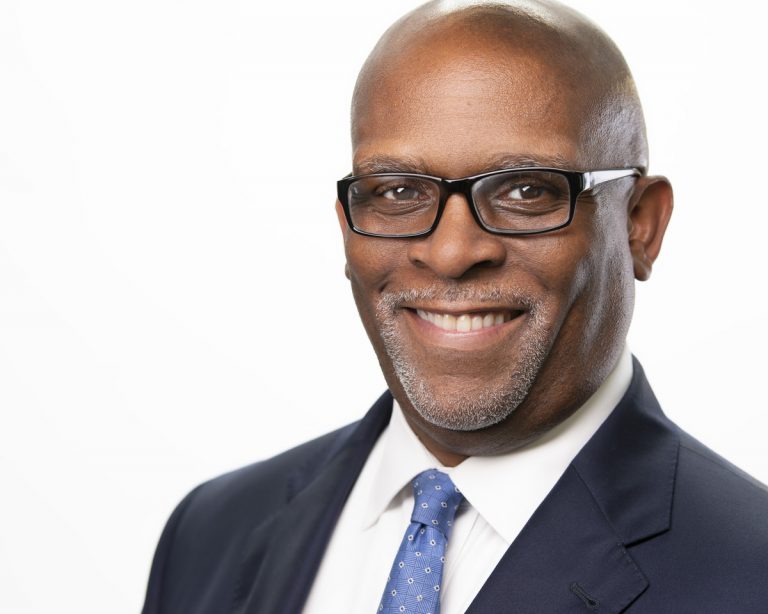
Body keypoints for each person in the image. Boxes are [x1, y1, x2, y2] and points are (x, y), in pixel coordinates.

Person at [142, 1, 768, 612]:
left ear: (640, 225)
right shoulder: (211, 533)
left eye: (526, 190)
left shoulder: (750, 574)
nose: (451, 253)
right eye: (397, 192)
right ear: (346, 225)